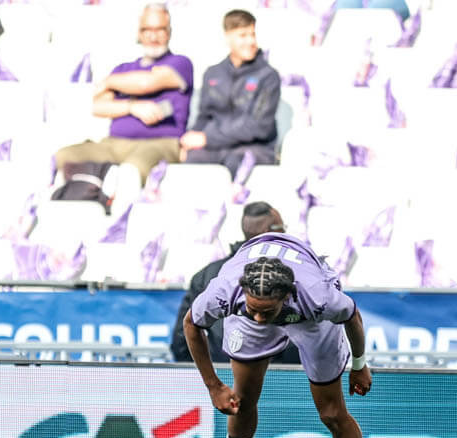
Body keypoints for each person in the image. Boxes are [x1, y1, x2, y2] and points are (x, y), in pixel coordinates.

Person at [181, 201, 377, 438]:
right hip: (256, 301)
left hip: (310, 323)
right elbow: (190, 325)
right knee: (240, 402)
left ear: (287, 297)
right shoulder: (225, 291)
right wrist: (213, 386)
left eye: (266, 312)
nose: (259, 318)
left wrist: (360, 364)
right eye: (253, 309)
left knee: (332, 414)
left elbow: (352, 316)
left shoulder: (317, 297)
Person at [55, 2, 194, 184]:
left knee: (132, 171)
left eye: (160, 29)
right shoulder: (123, 68)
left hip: (159, 143)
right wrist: (131, 107)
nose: (153, 36)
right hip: (114, 144)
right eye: (147, 30)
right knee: (63, 157)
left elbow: (146, 83)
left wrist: (109, 81)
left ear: (169, 32)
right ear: (139, 33)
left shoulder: (180, 63)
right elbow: (98, 106)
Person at [170, 201, 299, 365]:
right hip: (287, 376)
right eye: (282, 227)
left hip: (228, 375)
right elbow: (184, 335)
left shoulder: (208, 274)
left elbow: (181, 342)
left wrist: (209, 376)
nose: (285, 233)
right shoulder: (300, 273)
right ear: (270, 231)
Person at [180, 9, 280, 175]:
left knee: (236, 162)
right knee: (192, 160)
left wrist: (207, 138)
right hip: (216, 146)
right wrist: (189, 141)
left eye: (253, 34)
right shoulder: (212, 73)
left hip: (255, 147)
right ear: (227, 36)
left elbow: (258, 126)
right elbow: (204, 117)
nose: (251, 41)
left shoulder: (269, 76)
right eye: (243, 35)